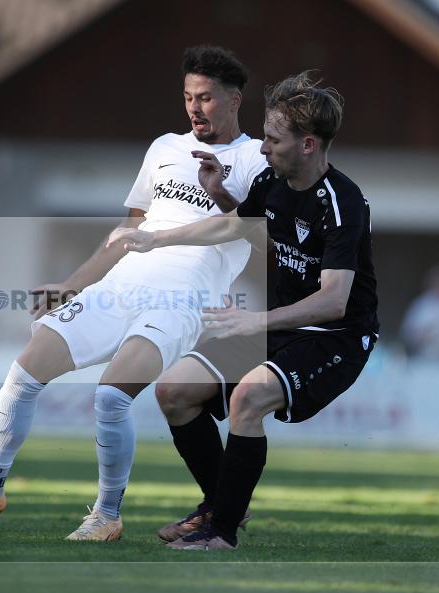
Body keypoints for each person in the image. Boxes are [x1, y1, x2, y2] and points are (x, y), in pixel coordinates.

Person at [0, 46, 268, 541]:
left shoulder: (257, 158)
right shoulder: (165, 148)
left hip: (181, 300)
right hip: (119, 287)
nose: (194, 107)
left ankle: (105, 515)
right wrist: (72, 284)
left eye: (206, 98)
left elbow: (259, 234)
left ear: (234, 100)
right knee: (25, 370)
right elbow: (127, 231)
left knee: (109, 397)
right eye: (188, 96)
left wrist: (223, 195)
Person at [108, 71, 379, 550]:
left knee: (247, 399)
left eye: (273, 139)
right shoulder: (273, 182)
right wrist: (154, 237)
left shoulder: (343, 202)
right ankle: (222, 504)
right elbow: (235, 227)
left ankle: (222, 532)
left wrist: (256, 321)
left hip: (335, 334)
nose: (262, 148)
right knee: (174, 392)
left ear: (309, 145)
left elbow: (334, 301)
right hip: (280, 324)